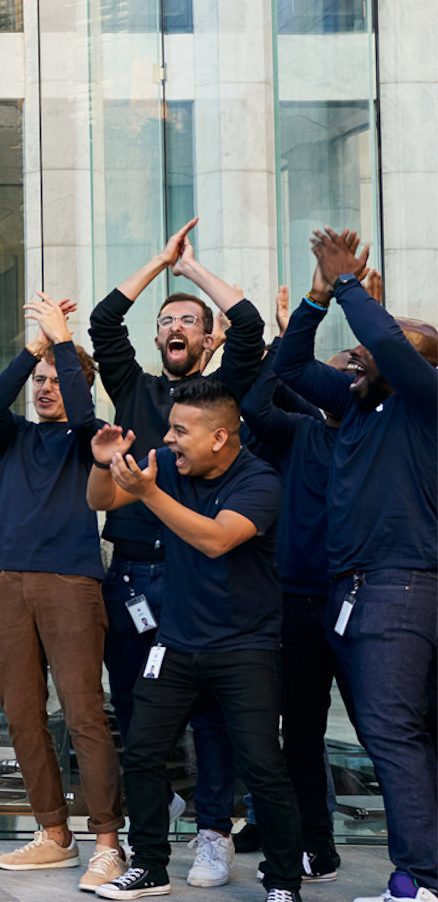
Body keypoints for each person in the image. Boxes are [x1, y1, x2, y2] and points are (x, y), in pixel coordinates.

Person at [89, 218, 265, 887]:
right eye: (166, 319)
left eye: (189, 320)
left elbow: (248, 328)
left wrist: (192, 272)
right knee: (134, 706)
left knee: (211, 712)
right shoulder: (132, 390)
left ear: (205, 335)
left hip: (198, 573)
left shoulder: (221, 400)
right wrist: (158, 263)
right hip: (131, 576)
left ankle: (214, 833)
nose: (176, 328)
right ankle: (152, 823)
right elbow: (106, 322)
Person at [86, 377, 301, 902]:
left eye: (181, 430)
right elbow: (102, 498)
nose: (171, 439)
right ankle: (152, 867)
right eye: (170, 429)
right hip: (176, 644)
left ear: (220, 438)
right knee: (140, 752)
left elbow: (216, 540)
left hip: (244, 647)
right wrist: (101, 463)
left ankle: (283, 883)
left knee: (261, 766)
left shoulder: (260, 481)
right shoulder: (169, 464)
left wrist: (150, 492)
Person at [273, 230, 437, 902]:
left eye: (387, 341)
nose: (367, 349)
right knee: (402, 733)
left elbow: (396, 349)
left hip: (396, 586)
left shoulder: (423, 402)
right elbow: (289, 368)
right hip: (359, 589)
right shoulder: (356, 405)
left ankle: (419, 881)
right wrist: (317, 298)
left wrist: (348, 286)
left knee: (393, 733)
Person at [0, 293, 125, 890]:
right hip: (8, 582)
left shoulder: (88, 439)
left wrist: (64, 344)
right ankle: (53, 833)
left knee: (85, 711)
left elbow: (89, 418)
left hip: (70, 584)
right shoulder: (13, 436)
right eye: (37, 380)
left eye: (53, 381)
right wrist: (33, 348)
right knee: (20, 712)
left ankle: (108, 841)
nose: (43, 389)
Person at [238, 285, 356, 884]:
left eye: (357, 369)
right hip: (299, 605)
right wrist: (286, 341)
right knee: (302, 734)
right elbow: (257, 407)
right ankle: (318, 848)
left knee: (390, 730)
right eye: (335, 371)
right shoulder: (302, 432)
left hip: (365, 603)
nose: (346, 378)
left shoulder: (382, 435)